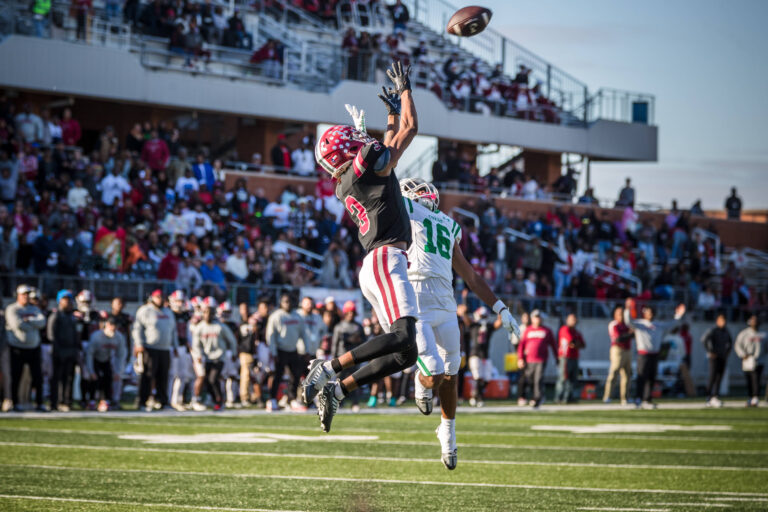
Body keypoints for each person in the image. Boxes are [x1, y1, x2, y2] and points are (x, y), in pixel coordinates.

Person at [301, 61, 420, 433]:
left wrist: (388, 116)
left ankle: (338, 389)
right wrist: (404, 91)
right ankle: (330, 368)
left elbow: (386, 149)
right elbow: (409, 131)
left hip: (383, 259)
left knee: (405, 353)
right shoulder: (365, 167)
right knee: (402, 338)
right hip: (386, 257)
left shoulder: (350, 179)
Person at [624, 298, 686, 409]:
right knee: (641, 377)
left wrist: (678, 315)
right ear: (644, 313)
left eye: (652, 312)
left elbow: (672, 324)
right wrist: (628, 309)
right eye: (648, 312)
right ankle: (638, 398)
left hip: (654, 354)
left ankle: (647, 399)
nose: (650, 314)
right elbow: (629, 321)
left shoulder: (658, 325)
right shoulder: (640, 324)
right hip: (643, 355)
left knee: (652, 377)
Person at [132, 289, 179, 411]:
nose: (160, 299)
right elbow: (137, 329)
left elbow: (173, 331)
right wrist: (138, 344)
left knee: (163, 376)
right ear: (152, 298)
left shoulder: (168, 312)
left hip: (164, 348)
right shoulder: (145, 310)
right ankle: (143, 401)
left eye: (162, 297)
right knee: (147, 375)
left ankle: (162, 401)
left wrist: (175, 346)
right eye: (157, 297)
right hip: (150, 347)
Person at [5, 285, 47, 412]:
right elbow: (18, 324)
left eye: (28, 294)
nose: (26, 297)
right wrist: (32, 323)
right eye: (24, 294)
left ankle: (40, 403)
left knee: (38, 377)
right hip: (17, 347)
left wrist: (28, 320)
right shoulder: (12, 308)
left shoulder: (34, 308)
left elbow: (42, 322)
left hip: (33, 347)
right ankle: (15, 402)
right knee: (16, 376)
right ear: (18, 295)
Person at [191, 297, 237, 411]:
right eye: (206, 312)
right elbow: (196, 344)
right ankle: (214, 399)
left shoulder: (220, 326)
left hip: (219, 356)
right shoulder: (199, 327)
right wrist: (198, 355)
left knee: (213, 379)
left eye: (210, 312)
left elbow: (232, 340)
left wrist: (234, 352)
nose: (208, 315)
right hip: (207, 357)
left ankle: (219, 400)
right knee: (207, 380)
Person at [266, 293, 306, 411]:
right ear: (281, 303)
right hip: (280, 350)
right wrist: (273, 352)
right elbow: (271, 335)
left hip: (293, 350)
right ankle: (272, 400)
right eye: (285, 302)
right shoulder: (276, 316)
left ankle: (292, 399)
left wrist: (305, 349)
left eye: (289, 301)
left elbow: (303, 334)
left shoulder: (297, 316)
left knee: (296, 375)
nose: (288, 304)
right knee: (277, 376)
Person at [330, 301, 366, 412]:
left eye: (353, 312)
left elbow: (364, 343)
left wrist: (358, 341)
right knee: (339, 381)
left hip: (355, 358)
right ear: (345, 313)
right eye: (349, 312)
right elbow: (334, 344)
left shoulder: (358, 327)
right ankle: (338, 402)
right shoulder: (339, 327)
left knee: (354, 381)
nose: (351, 314)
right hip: (341, 358)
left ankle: (355, 402)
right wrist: (334, 359)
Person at [517, 310, 556, 409]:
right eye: (535, 317)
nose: (537, 319)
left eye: (539, 317)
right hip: (529, 360)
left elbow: (553, 345)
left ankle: (537, 398)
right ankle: (536, 396)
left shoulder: (547, 330)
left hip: (541, 359)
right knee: (530, 379)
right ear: (532, 318)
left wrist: (557, 357)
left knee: (538, 379)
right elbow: (521, 345)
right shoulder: (528, 330)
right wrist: (520, 358)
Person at [86, 316, 126, 412]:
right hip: (95, 358)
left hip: (106, 359)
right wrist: (91, 371)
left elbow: (120, 355)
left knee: (108, 378)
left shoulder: (119, 337)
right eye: (112, 325)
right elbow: (89, 355)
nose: (113, 328)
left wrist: (118, 371)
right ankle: (91, 401)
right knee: (95, 379)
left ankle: (106, 400)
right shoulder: (96, 337)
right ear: (106, 325)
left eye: (115, 326)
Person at [47, 290, 79, 412]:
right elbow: (51, 335)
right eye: (66, 300)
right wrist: (57, 350)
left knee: (69, 378)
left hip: (70, 351)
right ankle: (54, 402)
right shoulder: (56, 316)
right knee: (56, 378)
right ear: (60, 301)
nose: (68, 302)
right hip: (59, 351)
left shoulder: (72, 316)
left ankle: (66, 401)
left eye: (70, 300)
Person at [467, 307, 502, 409]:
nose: (483, 318)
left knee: (487, 378)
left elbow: (498, 324)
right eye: (482, 316)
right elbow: (466, 318)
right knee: (477, 376)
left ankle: (475, 394)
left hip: (485, 355)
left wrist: (501, 314)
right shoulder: (474, 325)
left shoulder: (488, 326)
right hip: (474, 354)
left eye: (485, 316)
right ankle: (479, 398)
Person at [237, 300, 269, 407]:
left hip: (254, 351)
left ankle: (254, 396)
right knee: (246, 374)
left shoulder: (260, 320)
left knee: (255, 374)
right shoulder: (245, 322)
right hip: (246, 351)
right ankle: (244, 397)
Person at [168, 290, 194, 411]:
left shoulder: (186, 315)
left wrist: (190, 346)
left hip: (183, 346)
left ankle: (177, 400)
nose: (179, 304)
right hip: (172, 346)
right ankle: (167, 400)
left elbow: (188, 332)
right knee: (171, 375)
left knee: (182, 375)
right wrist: (173, 345)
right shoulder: (169, 314)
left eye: (181, 301)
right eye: (177, 301)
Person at [603, 305, 634, 405]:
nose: (621, 316)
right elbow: (618, 338)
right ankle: (607, 396)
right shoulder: (614, 324)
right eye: (619, 313)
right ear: (615, 315)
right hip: (618, 350)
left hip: (627, 350)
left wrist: (629, 334)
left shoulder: (627, 324)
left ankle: (625, 398)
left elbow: (633, 334)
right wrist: (629, 334)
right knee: (614, 372)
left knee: (627, 374)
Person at [733, 315, 767, 407]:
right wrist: (742, 355)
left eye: (756, 320)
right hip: (747, 359)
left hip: (759, 360)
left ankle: (755, 397)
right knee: (748, 379)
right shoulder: (744, 334)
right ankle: (750, 397)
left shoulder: (763, 334)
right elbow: (737, 345)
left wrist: (762, 355)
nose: (754, 322)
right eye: (753, 320)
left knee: (756, 379)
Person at [700, 312, 732, 407]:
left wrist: (727, 352)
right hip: (714, 357)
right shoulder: (713, 330)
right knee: (712, 377)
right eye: (721, 320)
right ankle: (708, 397)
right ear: (717, 321)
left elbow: (730, 342)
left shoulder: (726, 331)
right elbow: (704, 340)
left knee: (719, 377)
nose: (723, 322)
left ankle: (715, 396)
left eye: (724, 320)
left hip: (723, 356)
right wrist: (710, 351)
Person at [555, 313, 585, 404]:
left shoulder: (576, 332)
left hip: (574, 357)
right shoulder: (564, 329)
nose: (574, 321)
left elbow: (583, 344)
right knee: (563, 378)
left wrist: (576, 344)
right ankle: (559, 397)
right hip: (565, 357)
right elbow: (571, 342)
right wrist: (576, 344)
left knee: (573, 378)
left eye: (575, 319)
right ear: (567, 320)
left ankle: (568, 397)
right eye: (572, 319)